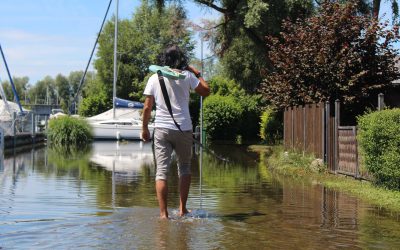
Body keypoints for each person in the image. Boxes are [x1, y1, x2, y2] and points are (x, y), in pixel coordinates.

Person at [141, 45, 210, 219]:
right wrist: (197, 73)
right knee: (185, 168)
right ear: (181, 59)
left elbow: (147, 107)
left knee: (161, 172)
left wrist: (144, 128)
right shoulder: (187, 76)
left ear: (164, 60)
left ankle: (164, 215)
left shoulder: (154, 78)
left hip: (162, 129)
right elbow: (206, 91)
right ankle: (182, 210)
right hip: (184, 128)